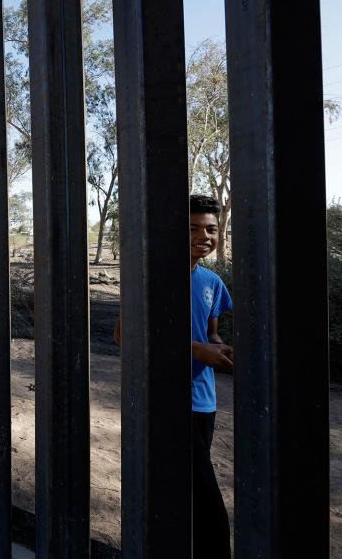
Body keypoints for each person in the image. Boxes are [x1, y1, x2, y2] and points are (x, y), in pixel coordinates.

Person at [113, 194, 233, 558]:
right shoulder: (152, 276)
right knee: (210, 509)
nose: (204, 235)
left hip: (204, 401)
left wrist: (223, 352)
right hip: (163, 398)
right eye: (194, 228)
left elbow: (211, 335)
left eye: (211, 229)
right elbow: (124, 335)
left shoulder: (212, 282)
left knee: (185, 493)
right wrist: (199, 350)